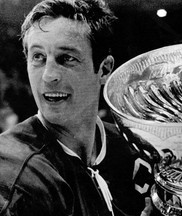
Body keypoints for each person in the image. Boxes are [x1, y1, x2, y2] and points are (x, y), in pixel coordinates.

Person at [0, 0, 155, 215]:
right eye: (38, 57)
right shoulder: (13, 175)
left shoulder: (134, 147)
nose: (48, 75)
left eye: (67, 59)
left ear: (104, 69)